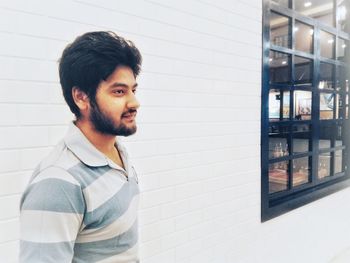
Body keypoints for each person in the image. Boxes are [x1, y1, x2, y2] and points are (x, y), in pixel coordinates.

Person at [19, 31, 142, 263]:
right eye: (119, 91)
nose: (134, 102)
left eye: (133, 90)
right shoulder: (58, 182)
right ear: (81, 97)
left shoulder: (116, 151)